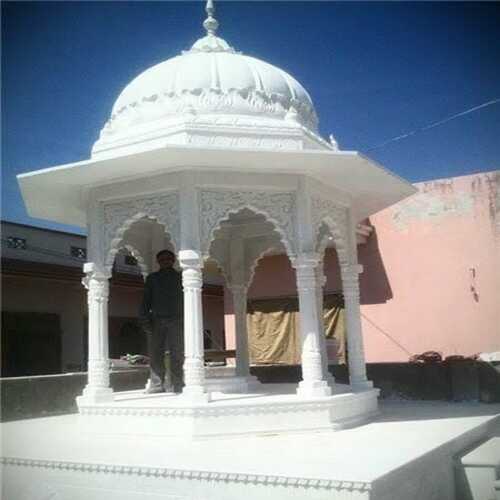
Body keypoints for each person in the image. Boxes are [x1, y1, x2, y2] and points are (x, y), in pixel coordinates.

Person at [139, 249, 184, 393]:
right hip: (156, 320)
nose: (166, 262)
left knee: (177, 353)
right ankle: (157, 384)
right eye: (162, 259)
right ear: (158, 262)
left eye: (168, 259)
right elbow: (146, 299)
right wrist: (144, 317)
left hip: (176, 320)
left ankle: (177, 384)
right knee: (155, 353)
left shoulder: (181, 277)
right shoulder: (153, 278)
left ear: (173, 260)